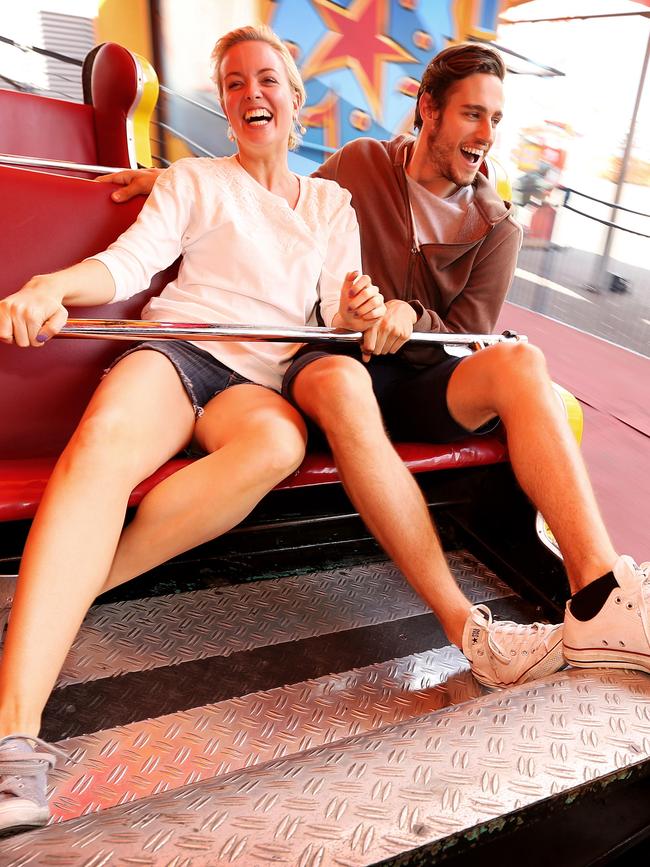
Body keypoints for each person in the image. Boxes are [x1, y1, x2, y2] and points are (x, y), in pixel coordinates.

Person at [101, 41, 649, 689]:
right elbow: (274, 191)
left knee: (523, 362)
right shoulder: (361, 164)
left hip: (422, 374)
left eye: (495, 120)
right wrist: (171, 178)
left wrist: (408, 319)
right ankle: (468, 626)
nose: (486, 135)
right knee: (341, 379)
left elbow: (469, 333)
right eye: (473, 115)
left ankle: (598, 598)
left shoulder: (497, 225)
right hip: (332, 359)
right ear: (429, 111)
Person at [0, 25, 385, 834]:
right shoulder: (195, 180)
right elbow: (131, 263)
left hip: (260, 380)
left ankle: (67, 590)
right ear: (223, 103)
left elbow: (334, 312)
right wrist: (54, 285)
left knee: (278, 444)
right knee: (103, 445)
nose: (253, 94)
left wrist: (359, 314)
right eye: (236, 83)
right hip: (178, 352)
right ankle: (15, 735)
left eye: (269, 80)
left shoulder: (331, 204)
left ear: (297, 102)